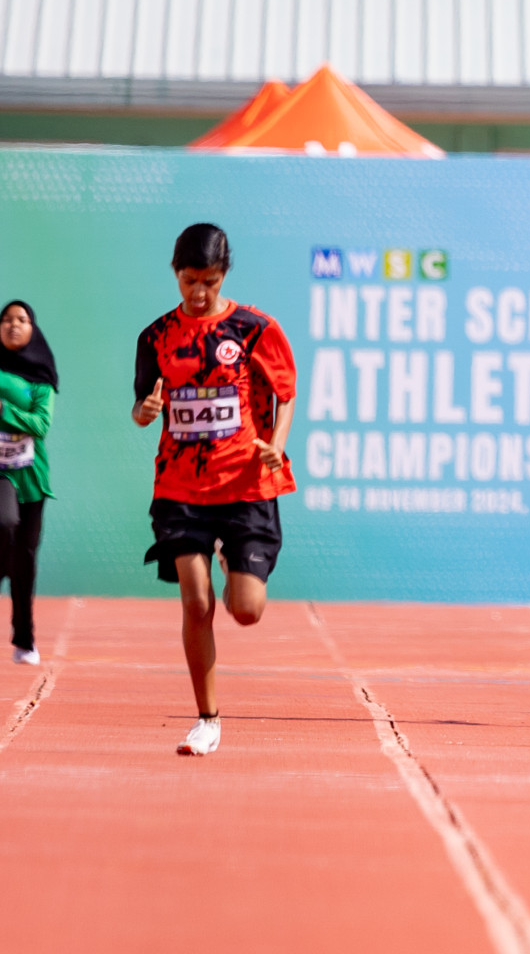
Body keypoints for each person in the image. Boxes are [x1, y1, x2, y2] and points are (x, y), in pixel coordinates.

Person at [132, 224, 297, 756]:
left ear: (224, 274)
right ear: (174, 274)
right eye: (188, 281)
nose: (198, 292)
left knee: (247, 610)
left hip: (246, 484)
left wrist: (276, 441)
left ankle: (235, 563)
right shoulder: (156, 337)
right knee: (194, 600)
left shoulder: (253, 329)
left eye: (208, 280)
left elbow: (286, 393)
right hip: (180, 487)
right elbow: (139, 407)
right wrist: (146, 412)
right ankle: (207, 720)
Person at [0, 301, 57, 667]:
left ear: (33, 328)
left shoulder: (41, 377)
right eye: (6, 319)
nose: (12, 325)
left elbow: (41, 424)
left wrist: (4, 412)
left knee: (26, 559)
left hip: (31, 477)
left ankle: (25, 639)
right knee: (4, 525)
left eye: (21, 320)